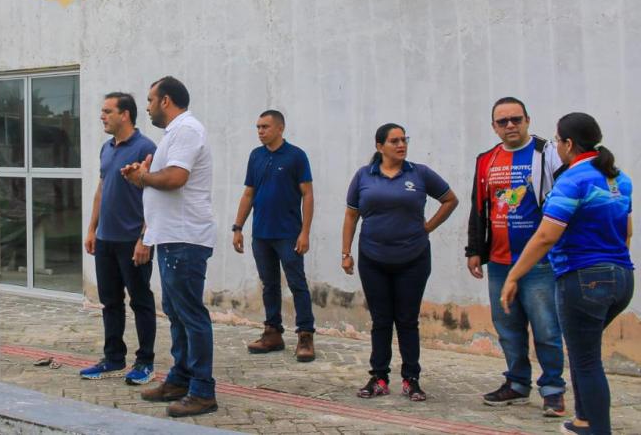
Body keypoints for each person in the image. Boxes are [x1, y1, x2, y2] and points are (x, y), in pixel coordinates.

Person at [501, 113, 633, 435]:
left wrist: (514, 275)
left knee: (587, 360)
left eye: (558, 141)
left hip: (583, 278)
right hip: (622, 278)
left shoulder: (572, 180)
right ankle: (584, 421)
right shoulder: (619, 179)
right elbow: (627, 232)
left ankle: (597, 430)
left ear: (569, 144)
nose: (556, 146)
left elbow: (547, 235)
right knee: (583, 351)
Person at [121, 76, 217, 418]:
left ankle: (203, 390)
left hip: (185, 237)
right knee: (176, 312)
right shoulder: (173, 135)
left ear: (166, 101)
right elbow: (164, 177)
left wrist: (143, 178)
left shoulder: (186, 130)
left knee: (190, 314)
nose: (146, 107)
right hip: (171, 236)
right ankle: (180, 378)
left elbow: (176, 179)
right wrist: (143, 173)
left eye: (149, 100)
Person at [341, 123, 458, 402]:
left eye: (404, 140)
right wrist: (345, 252)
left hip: (413, 259)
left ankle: (411, 379)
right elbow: (351, 216)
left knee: (407, 320)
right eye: (394, 141)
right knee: (381, 320)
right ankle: (379, 377)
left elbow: (450, 200)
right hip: (373, 258)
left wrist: (428, 227)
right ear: (380, 146)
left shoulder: (419, 174)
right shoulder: (363, 176)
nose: (401, 145)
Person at [465, 97, 566, 416]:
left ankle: (552, 389)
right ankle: (517, 384)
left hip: (540, 260)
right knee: (507, 325)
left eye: (516, 119)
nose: (510, 126)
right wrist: (474, 250)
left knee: (546, 327)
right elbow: (478, 206)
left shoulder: (546, 152)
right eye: (503, 121)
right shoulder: (486, 160)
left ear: (527, 120)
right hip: (498, 260)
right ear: (494, 126)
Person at [80, 92, 158, 384]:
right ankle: (113, 358)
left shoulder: (146, 148)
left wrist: (144, 239)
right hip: (106, 239)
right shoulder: (107, 148)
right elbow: (102, 190)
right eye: (102, 111)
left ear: (125, 114)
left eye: (108, 111)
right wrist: (92, 229)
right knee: (110, 302)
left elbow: (155, 198)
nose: (102, 116)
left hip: (132, 240)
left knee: (141, 301)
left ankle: (146, 362)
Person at [232, 109, 317, 361]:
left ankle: (305, 335)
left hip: (288, 233)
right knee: (269, 285)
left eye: (265, 127)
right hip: (261, 234)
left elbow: (308, 195)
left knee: (296, 283)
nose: (260, 131)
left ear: (280, 128)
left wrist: (305, 232)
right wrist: (238, 227)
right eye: (258, 127)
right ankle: (272, 332)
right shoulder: (256, 156)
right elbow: (249, 193)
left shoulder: (296, 156)